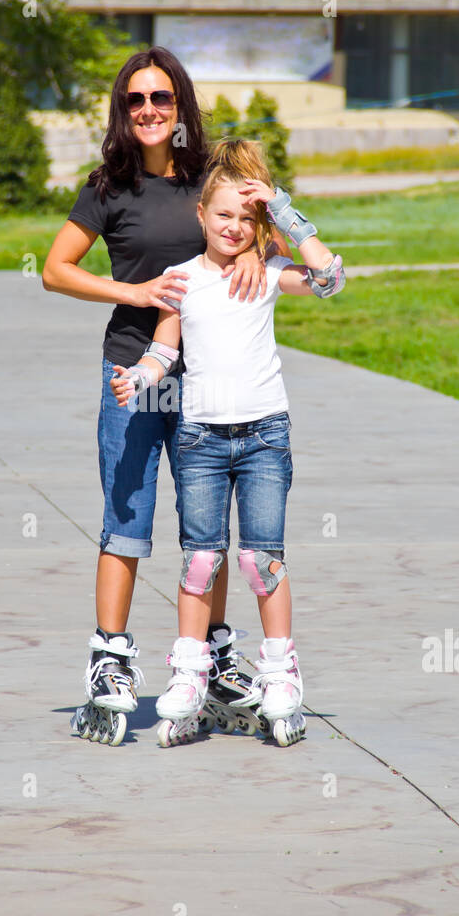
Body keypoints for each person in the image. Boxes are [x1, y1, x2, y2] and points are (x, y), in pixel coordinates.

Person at [42, 48, 286, 745]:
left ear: (181, 106)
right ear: (122, 111)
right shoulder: (108, 187)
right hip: (133, 371)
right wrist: (134, 292)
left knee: (206, 528)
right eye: (134, 100)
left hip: (210, 378)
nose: (148, 110)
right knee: (128, 513)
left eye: (161, 98)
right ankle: (111, 660)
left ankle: (211, 653)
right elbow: (57, 270)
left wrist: (252, 256)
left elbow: (255, 231)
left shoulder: (212, 179)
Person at [110, 138, 346, 747]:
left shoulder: (266, 271)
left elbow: (329, 278)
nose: (235, 228)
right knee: (200, 560)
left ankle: (281, 675)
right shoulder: (180, 280)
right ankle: (189, 674)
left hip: (266, 435)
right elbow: (165, 351)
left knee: (261, 561)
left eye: (247, 219)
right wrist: (138, 377)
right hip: (200, 441)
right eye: (224, 216)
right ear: (200, 217)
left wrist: (282, 210)